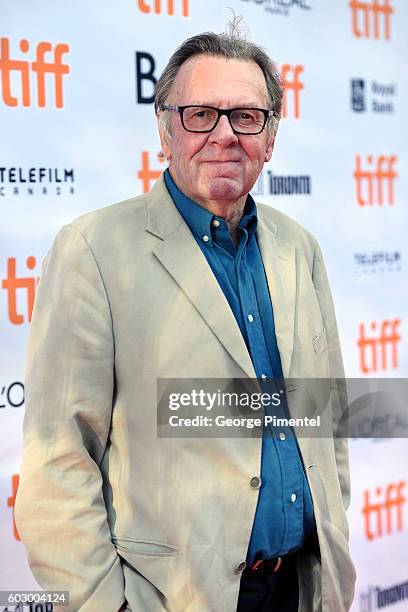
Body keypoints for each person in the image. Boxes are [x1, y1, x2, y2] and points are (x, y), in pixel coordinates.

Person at [15, 22, 356, 612]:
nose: (224, 135)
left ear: (270, 137)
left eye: (247, 117)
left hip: (301, 585)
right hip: (173, 598)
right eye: (200, 114)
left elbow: (326, 415)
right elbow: (58, 458)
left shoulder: (299, 246)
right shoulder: (94, 250)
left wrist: (331, 528)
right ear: (165, 130)